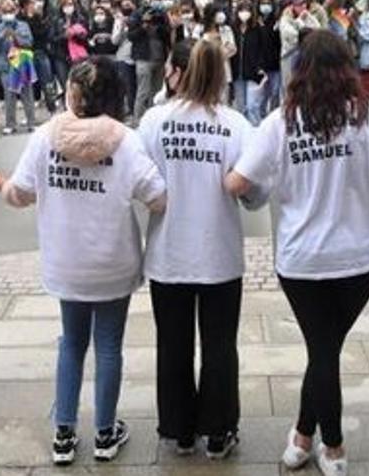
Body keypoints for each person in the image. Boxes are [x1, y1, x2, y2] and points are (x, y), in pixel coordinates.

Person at [225, 30, 369, 476]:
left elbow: (237, 182)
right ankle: (321, 442)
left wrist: (240, 177)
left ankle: (313, 438)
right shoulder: (368, 115)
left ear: (300, 70)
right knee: (326, 349)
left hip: (302, 257)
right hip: (358, 257)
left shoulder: (280, 122)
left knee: (323, 350)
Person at [0, 57, 166, 465]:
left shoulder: (44, 136)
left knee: (71, 344)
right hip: (113, 260)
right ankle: (106, 434)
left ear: (73, 94)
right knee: (108, 346)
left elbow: (17, 196)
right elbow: (158, 198)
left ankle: (63, 435)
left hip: (67, 261)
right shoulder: (126, 140)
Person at [137, 40, 252, 459]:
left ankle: (179, 430)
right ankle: (219, 430)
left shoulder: (153, 121)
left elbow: (137, 181)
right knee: (221, 345)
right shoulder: (236, 124)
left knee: (173, 343)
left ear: (178, 73)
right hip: (219, 251)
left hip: (169, 252)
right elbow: (253, 193)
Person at [0, 0, 37, 133]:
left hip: (22, 62)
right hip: (5, 64)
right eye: (5, 11)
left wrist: (16, 37)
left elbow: (29, 43)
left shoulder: (23, 25)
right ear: (0, 13)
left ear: (16, 11)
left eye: (10, 11)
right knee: (9, 94)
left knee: (27, 93)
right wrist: (1, 36)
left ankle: (31, 123)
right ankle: (10, 124)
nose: (8, 14)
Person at [129, 0, 171, 118]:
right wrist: (144, 24)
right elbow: (131, 36)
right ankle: (138, 120)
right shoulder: (137, 15)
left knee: (157, 92)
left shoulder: (161, 16)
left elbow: (167, 35)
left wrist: (161, 23)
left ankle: (154, 118)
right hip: (143, 59)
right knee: (143, 91)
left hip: (160, 58)